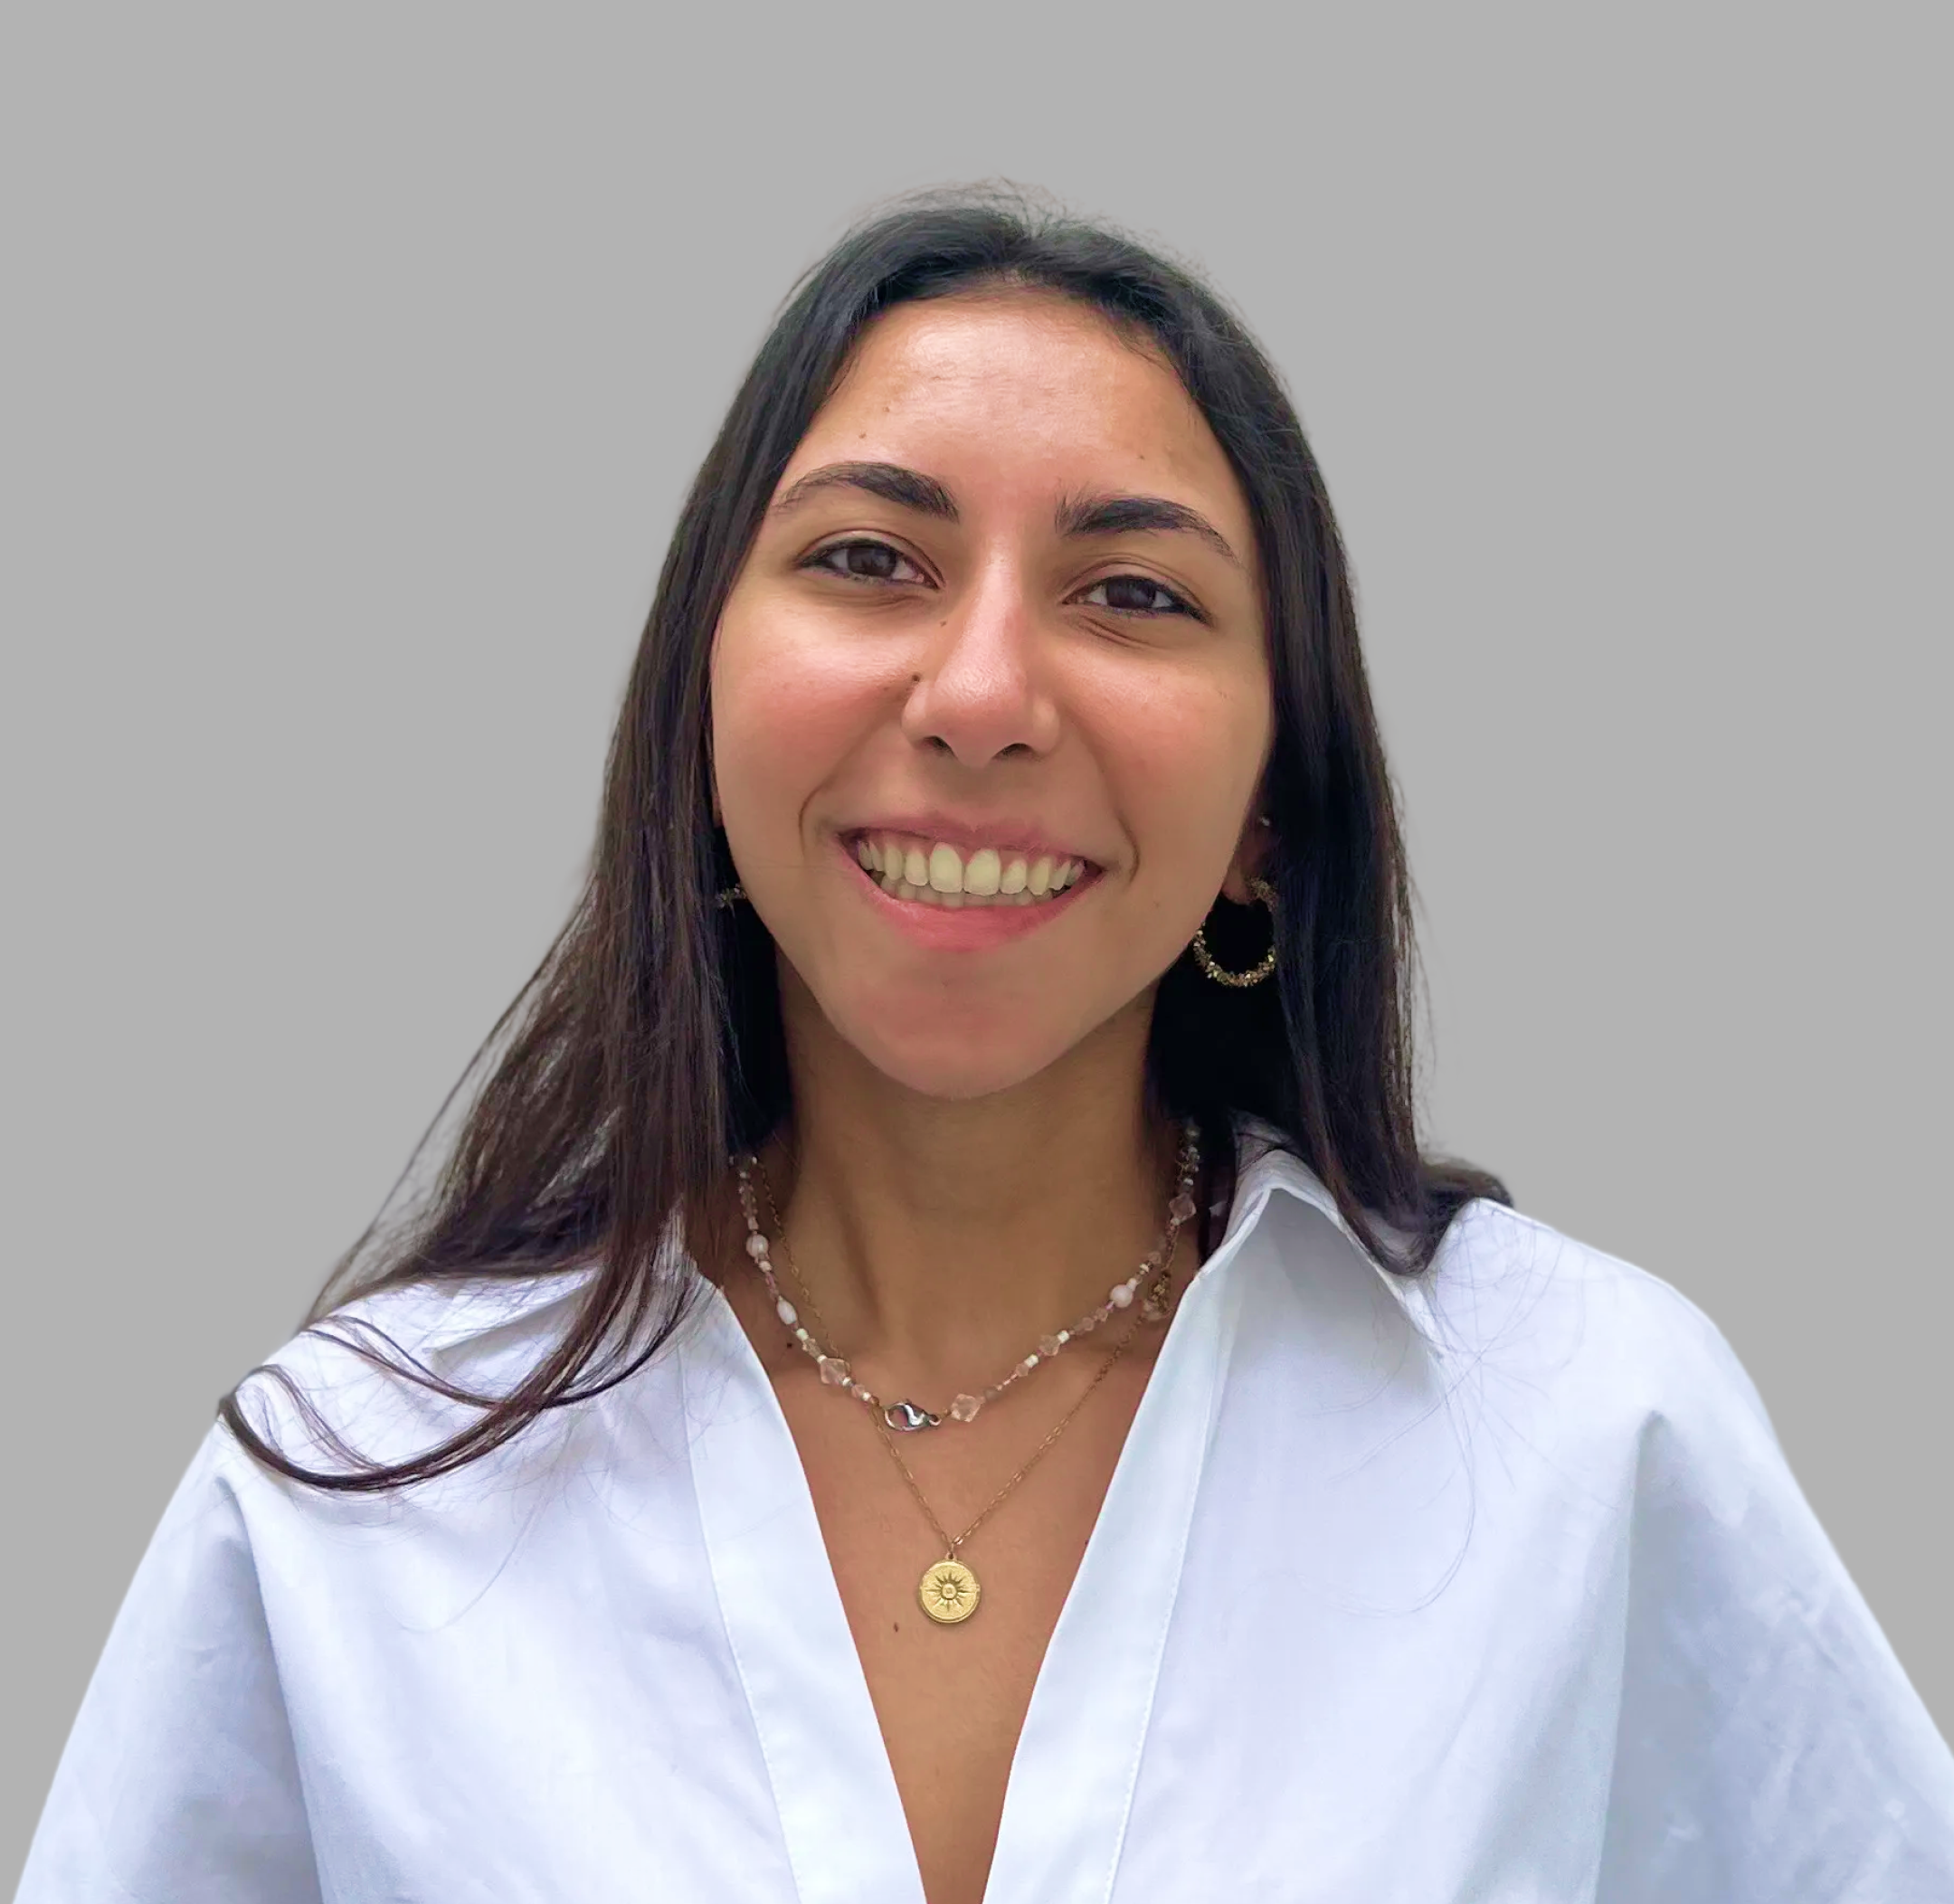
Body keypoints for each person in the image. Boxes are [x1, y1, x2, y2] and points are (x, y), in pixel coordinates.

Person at [19, 190, 1953, 1904]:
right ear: (706, 706)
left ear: (1270, 811)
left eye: (1134, 593)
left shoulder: (1586, 1430)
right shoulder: (355, 1479)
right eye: (872, 560)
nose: (982, 693)